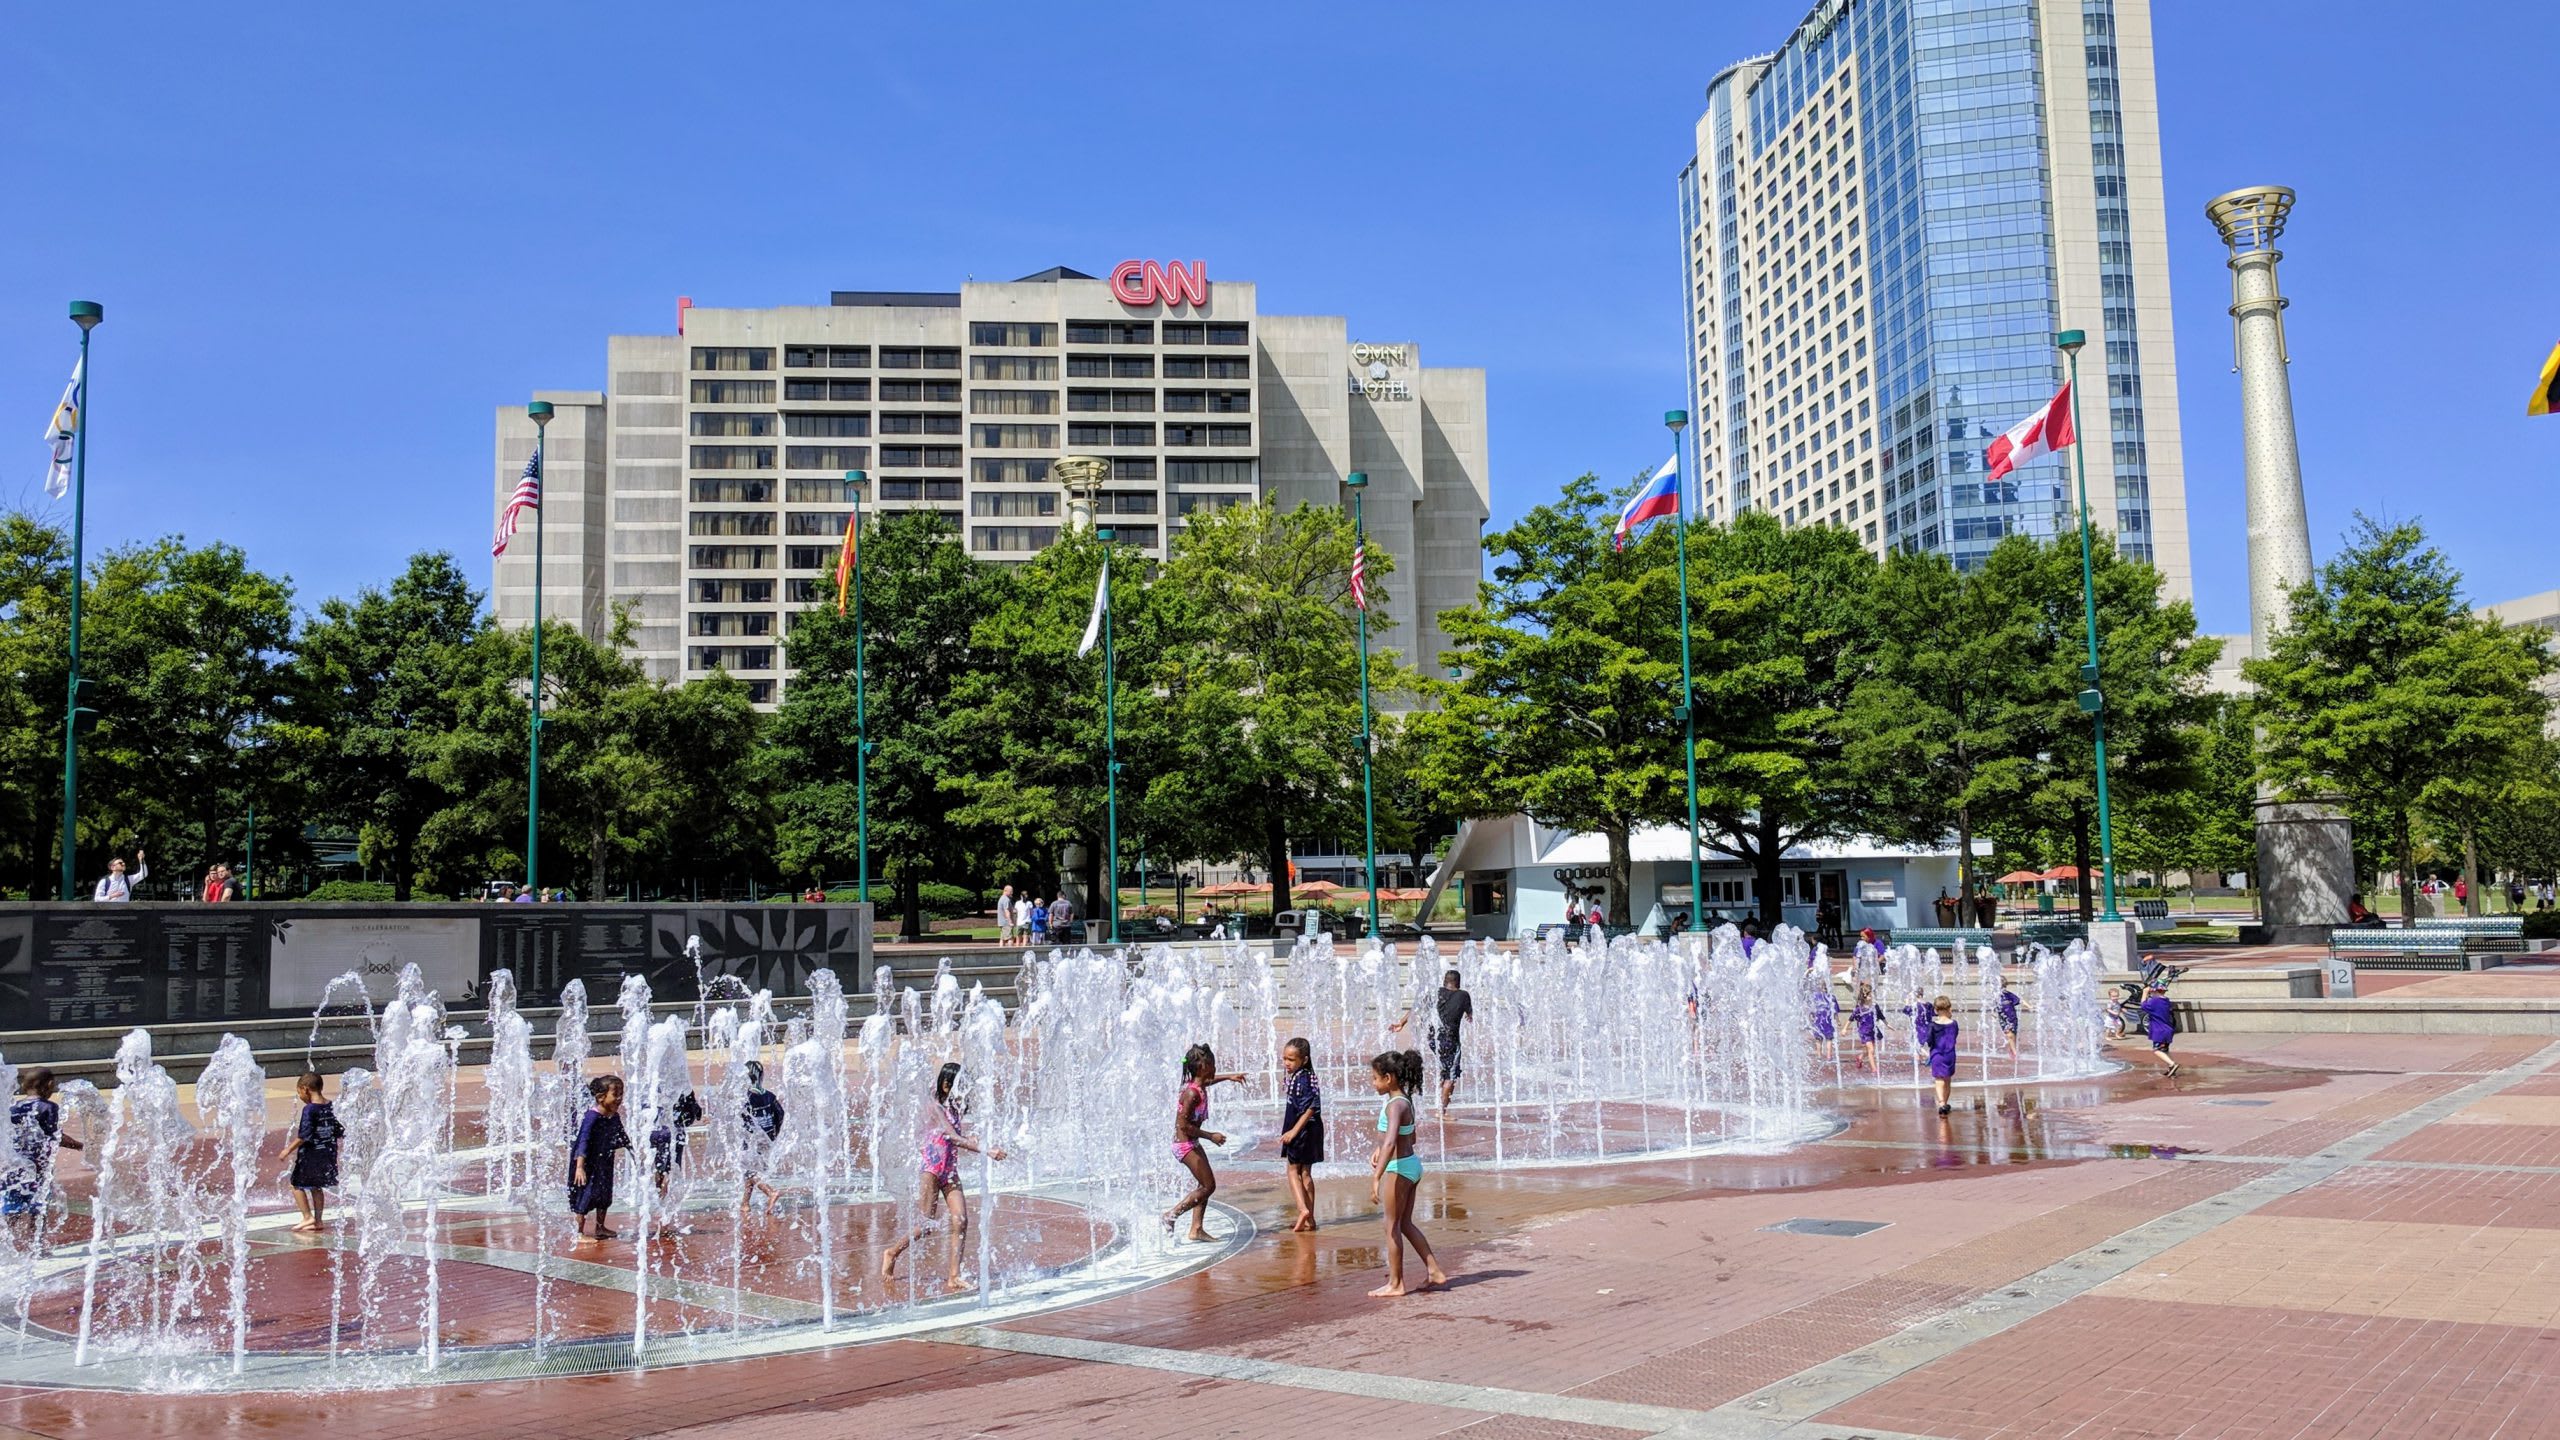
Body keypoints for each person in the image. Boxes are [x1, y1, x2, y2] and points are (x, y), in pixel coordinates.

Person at [881, 1061, 1009, 1290]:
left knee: (961, 1219)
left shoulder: (954, 1109)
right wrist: (986, 1150)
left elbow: (954, 1139)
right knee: (927, 1225)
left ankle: (954, 1276)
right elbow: (951, 1137)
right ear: (947, 1085)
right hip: (932, 1171)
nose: (965, 1090)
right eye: (961, 1085)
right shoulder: (935, 1108)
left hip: (950, 1171)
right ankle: (892, 1252)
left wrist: (971, 1140)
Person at [1366, 1049, 1447, 1298]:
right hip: (1410, 1164)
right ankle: (1434, 1271)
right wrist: (1379, 1149)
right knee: (1405, 1224)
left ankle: (1396, 1283)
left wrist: (1377, 1176)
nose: (1373, 1082)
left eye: (1375, 1078)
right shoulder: (1405, 1101)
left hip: (1398, 1169)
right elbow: (1410, 1137)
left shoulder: (1394, 1105)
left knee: (1391, 1226)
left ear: (1389, 1078)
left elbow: (1391, 1142)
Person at [1162, 1043, 1245, 1242]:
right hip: (1184, 1145)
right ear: (1202, 1067)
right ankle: (1170, 1215)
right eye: (1213, 1064)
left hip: (1191, 1143)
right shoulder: (1191, 1093)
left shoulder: (1198, 1085)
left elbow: (1209, 1082)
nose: (1216, 1066)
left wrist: (1228, 1077)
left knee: (1204, 1184)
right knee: (1208, 1186)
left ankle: (1196, 1229)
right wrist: (1211, 1136)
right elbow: (1183, 1126)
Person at [3, 1069, 80, 1236]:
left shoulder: (15, 1107)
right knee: (39, 1205)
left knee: (12, 1203)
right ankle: (37, 1243)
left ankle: (5, 1243)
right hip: (38, 1167)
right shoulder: (48, 1107)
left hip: (16, 1165)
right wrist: (78, 1145)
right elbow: (55, 1135)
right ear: (49, 1085)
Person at [1390, 969, 1473, 1109]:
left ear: (1444, 982)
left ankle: (1441, 1099)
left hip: (1434, 1039)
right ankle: (1442, 1111)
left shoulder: (1435, 993)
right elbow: (1469, 1015)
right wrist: (1469, 1015)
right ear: (1458, 983)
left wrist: (1401, 1023)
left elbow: (1416, 1009)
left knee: (1445, 1069)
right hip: (1450, 1040)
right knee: (1451, 1077)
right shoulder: (1463, 995)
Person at [568, 1075, 631, 1241]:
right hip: (587, 1163)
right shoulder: (592, 1117)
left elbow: (623, 1137)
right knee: (585, 1194)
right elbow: (583, 1140)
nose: (619, 1099)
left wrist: (635, 1154)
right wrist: (580, 1167)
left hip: (605, 1162)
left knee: (604, 1194)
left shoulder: (614, 1117)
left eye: (621, 1094)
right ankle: (579, 1232)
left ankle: (600, 1227)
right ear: (601, 1097)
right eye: (615, 1095)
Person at [278, 1070, 342, 1233]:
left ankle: (307, 1217)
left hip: (310, 1154)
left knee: (296, 1185)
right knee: (316, 1186)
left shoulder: (310, 1109)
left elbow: (304, 1135)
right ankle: (318, 1220)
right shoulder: (330, 1105)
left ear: (305, 1089)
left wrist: (287, 1150)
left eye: (299, 1092)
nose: (300, 1096)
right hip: (327, 1153)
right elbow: (338, 1129)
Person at [1278, 1036, 1324, 1233]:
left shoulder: (1302, 1078)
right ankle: (1310, 1219)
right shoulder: (1303, 1076)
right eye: (1285, 1059)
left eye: (1291, 1060)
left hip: (1302, 1130)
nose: (1287, 1063)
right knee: (1305, 1173)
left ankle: (1303, 1209)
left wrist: (1292, 1132)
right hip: (1311, 1130)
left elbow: (1311, 1108)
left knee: (1292, 1170)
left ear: (1304, 1060)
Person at [646, 1088, 704, 1236]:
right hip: (675, 1135)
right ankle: (663, 1201)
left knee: (660, 1167)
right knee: (670, 1169)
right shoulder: (685, 1094)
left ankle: (660, 1195)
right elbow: (698, 1115)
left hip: (657, 1134)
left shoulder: (661, 1091)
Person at [737, 1060, 785, 1214]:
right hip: (767, 1138)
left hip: (752, 1139)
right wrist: (774, 1133)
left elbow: (739, 1118)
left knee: (750, 1170)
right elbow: (780, 1114)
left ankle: (770, 1192)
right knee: (751, 1169)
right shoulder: (769, 1096)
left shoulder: (746, 1097)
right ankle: (745, 1203)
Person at [1916, 995, 1960, 1115]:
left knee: (1939, 1080)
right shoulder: (1954, 1024)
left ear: (1935, 1010)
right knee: (1947, 1080)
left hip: (1937, 1055)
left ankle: (1942, 1103)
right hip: (1950, 1054)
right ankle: (1945, 1103)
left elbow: (1929, 1040)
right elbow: (1955, 1036)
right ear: (1949, 1007)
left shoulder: (1932, 1025)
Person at [2141, 983, 2180, 1077]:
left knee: (2157, 1050)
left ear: (2155, 991)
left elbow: (2143, 1006)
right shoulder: (2166, 1001)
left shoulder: (2155, 1002)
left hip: (2160, 1031)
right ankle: (2171, 1067)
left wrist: (2144, 992)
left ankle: (2172, 1064)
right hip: (2167, 1030)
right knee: (2165, 1050)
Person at [1852, 981, 1879, 1071]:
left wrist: (1887, 1024)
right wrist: (1844, 1028)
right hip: (1864, 1031)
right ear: (1865, 996)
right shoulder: (1860, 1008)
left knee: (1869, 1050)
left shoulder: (1873, 1006)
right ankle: (1874, 1069)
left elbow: (1879, 1016)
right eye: (1871, 995)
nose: (1872, 997)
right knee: (1871, 1050)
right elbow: (1851, 1017)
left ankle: (1860, 1057)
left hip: (1871, 1030)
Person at [1997, 985, 2021, 1060]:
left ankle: (2011, 1049)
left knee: (2013, 1035)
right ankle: (2015, 1052)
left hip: (2012, 1017)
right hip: (2003, 1018)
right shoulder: (1995, 996)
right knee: (2009, 1035)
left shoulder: (2008, 994)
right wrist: (1993, 1014)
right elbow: (1993, 1007)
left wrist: (2029, 1006)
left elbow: (2019, 1000)